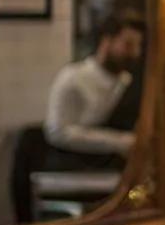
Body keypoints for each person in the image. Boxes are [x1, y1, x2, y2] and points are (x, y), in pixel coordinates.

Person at [44, 12, 145, 159]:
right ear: (107, 41)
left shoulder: (128, 83)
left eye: (138, 46)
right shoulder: (72, 78)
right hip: (72, 166)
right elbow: (57, 132)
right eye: (128, 45)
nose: (135, 53)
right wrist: (120, 142)